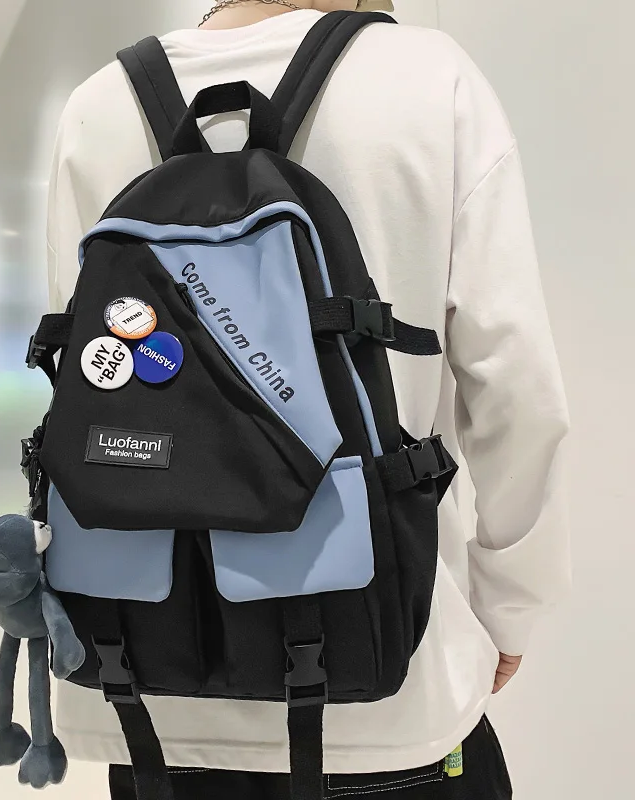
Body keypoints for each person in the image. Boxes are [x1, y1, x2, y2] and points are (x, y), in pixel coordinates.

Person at [46, 1, 570, 797]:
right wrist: (510, 611)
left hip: (140, 693)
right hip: (384, 704)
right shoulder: (429, 78)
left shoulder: (96, 105)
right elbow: (515, 391)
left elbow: (82, 372)